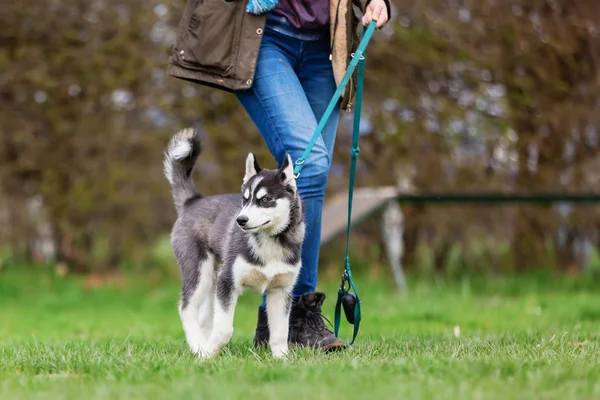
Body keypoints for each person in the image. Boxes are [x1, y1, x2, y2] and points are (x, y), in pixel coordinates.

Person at [167, 0, 391, 351]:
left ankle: (279, 322)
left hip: (327, 41)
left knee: (311, 178)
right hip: (263, 34)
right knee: (311, 162)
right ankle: (300, 314)